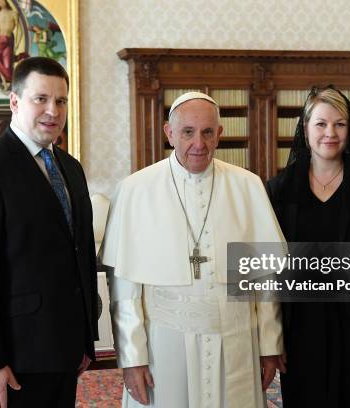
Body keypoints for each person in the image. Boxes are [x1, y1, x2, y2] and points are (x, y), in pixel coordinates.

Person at [102, 92, 286, 408]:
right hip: (165, 344)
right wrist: (132, 357)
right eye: (188, 132)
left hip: (236, 339)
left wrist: (269, 344)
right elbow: (125, 289)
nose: (198, 144)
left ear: (219, 134)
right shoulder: (136, 190)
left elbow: (264, 281)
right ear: (169, 133)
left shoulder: (248, 186)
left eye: (207, 132)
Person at [0, 57, 98, 408]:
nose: (52, 110)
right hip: (9, 361)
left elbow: (81, 254)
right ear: (14, 102)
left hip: (63, 352)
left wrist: (84, 339)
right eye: (40, 99)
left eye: (61, 101)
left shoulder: (71, 169)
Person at [265, 86, 350, 407]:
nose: (330, 133)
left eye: (340, 124)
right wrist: (273, 339)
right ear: (305, 128)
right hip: (301, 330)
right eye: (321, 124)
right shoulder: (279, 189)